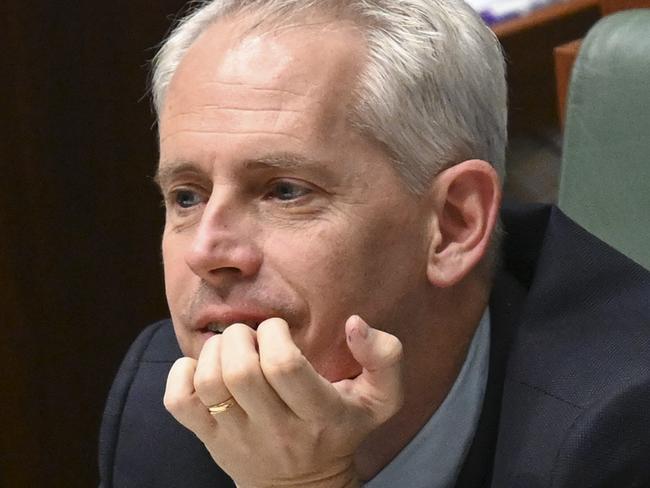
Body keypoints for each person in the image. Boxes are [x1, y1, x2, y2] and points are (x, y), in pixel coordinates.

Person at [99, 1, 650, 487]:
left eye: (285, 191)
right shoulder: (174, 401)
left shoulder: (625, 424)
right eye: (187, 197)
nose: (208, 252)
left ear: (454, 225)